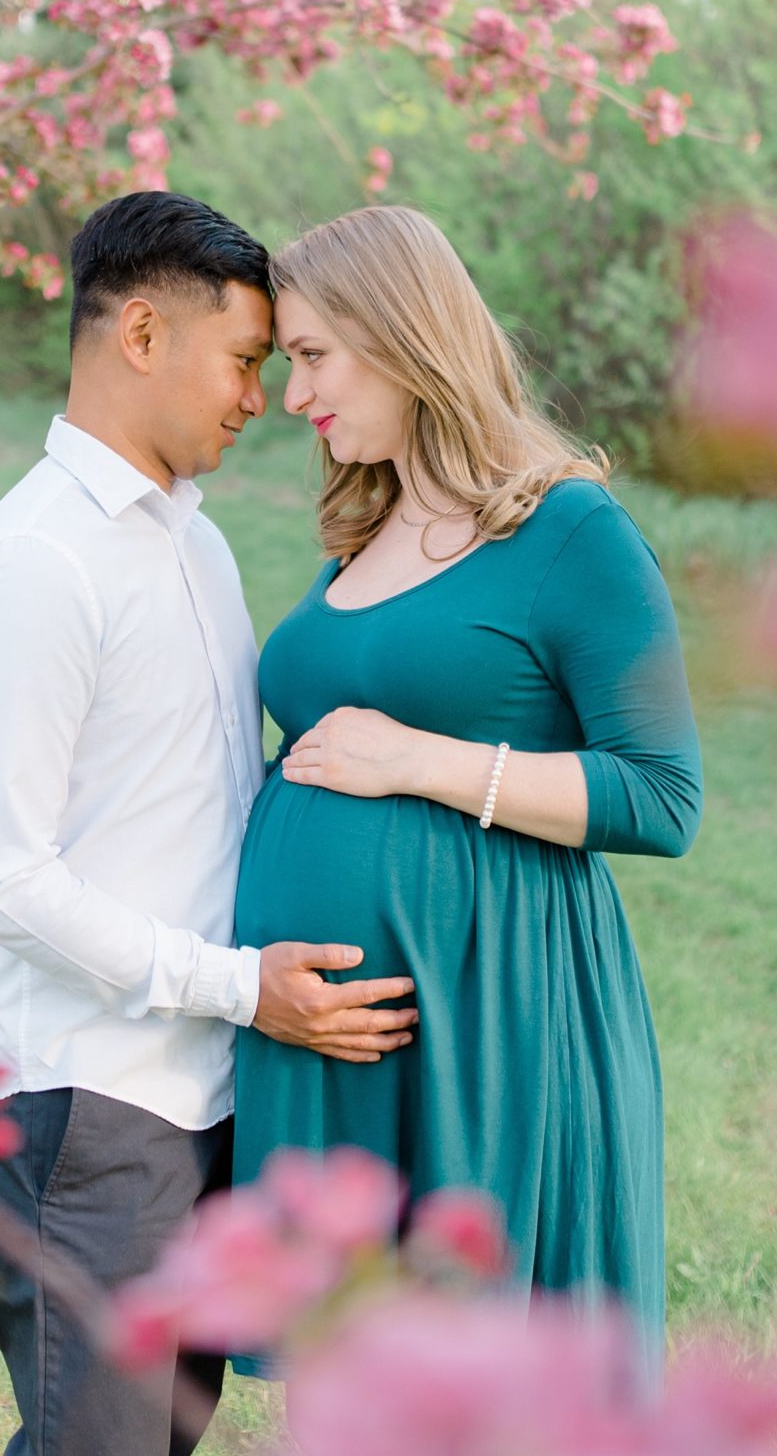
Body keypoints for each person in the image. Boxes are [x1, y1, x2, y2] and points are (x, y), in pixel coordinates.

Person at [0, 191, 422, 1456]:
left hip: (204, 1091)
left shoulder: (189, 543)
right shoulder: (37, 562)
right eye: (247, 358)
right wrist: (243, 987)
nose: (261, 395)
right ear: (142, 333)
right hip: (92, 1104)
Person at [224, 205, 703, 1373]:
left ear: (401, 337)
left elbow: (663, 794)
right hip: (341, 1032)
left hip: (491, 1015)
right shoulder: (369, 524)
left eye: (311, 357)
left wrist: (422, 763)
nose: (294, 397)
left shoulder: (569, 529)